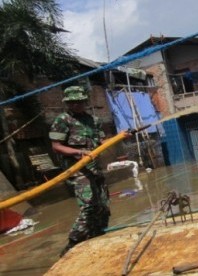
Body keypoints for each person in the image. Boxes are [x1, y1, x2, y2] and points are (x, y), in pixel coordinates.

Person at [49, 86, 112, 257]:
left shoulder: (94, 120)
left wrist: (119, 136)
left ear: (85, 101)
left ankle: (98, 236)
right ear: (68, 103)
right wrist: (79, 152)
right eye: (73, 102)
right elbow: (56, 146)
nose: (77, 105)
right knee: (89, 207)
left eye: (80, 101)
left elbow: (101, 141)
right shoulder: (63, 120)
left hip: (95, 169)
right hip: (78, 171)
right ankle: (73, 243)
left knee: (104, 207)